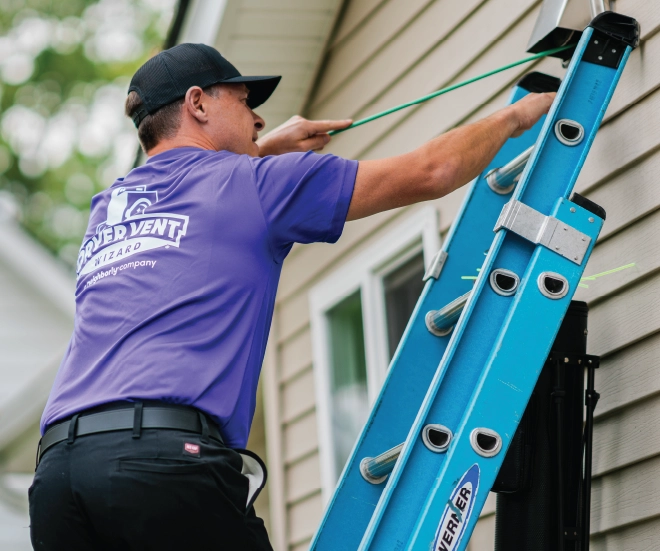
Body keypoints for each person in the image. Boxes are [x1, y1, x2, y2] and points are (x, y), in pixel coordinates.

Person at [29, 43, 553, 550]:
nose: (257, 120)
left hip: (59, 479)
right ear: (197, 103)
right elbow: (431, 172)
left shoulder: (109, 207)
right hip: (163, 467)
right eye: (244, 103)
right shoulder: (258, 185)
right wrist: (519, 116)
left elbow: (196, 186)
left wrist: (265, 149)